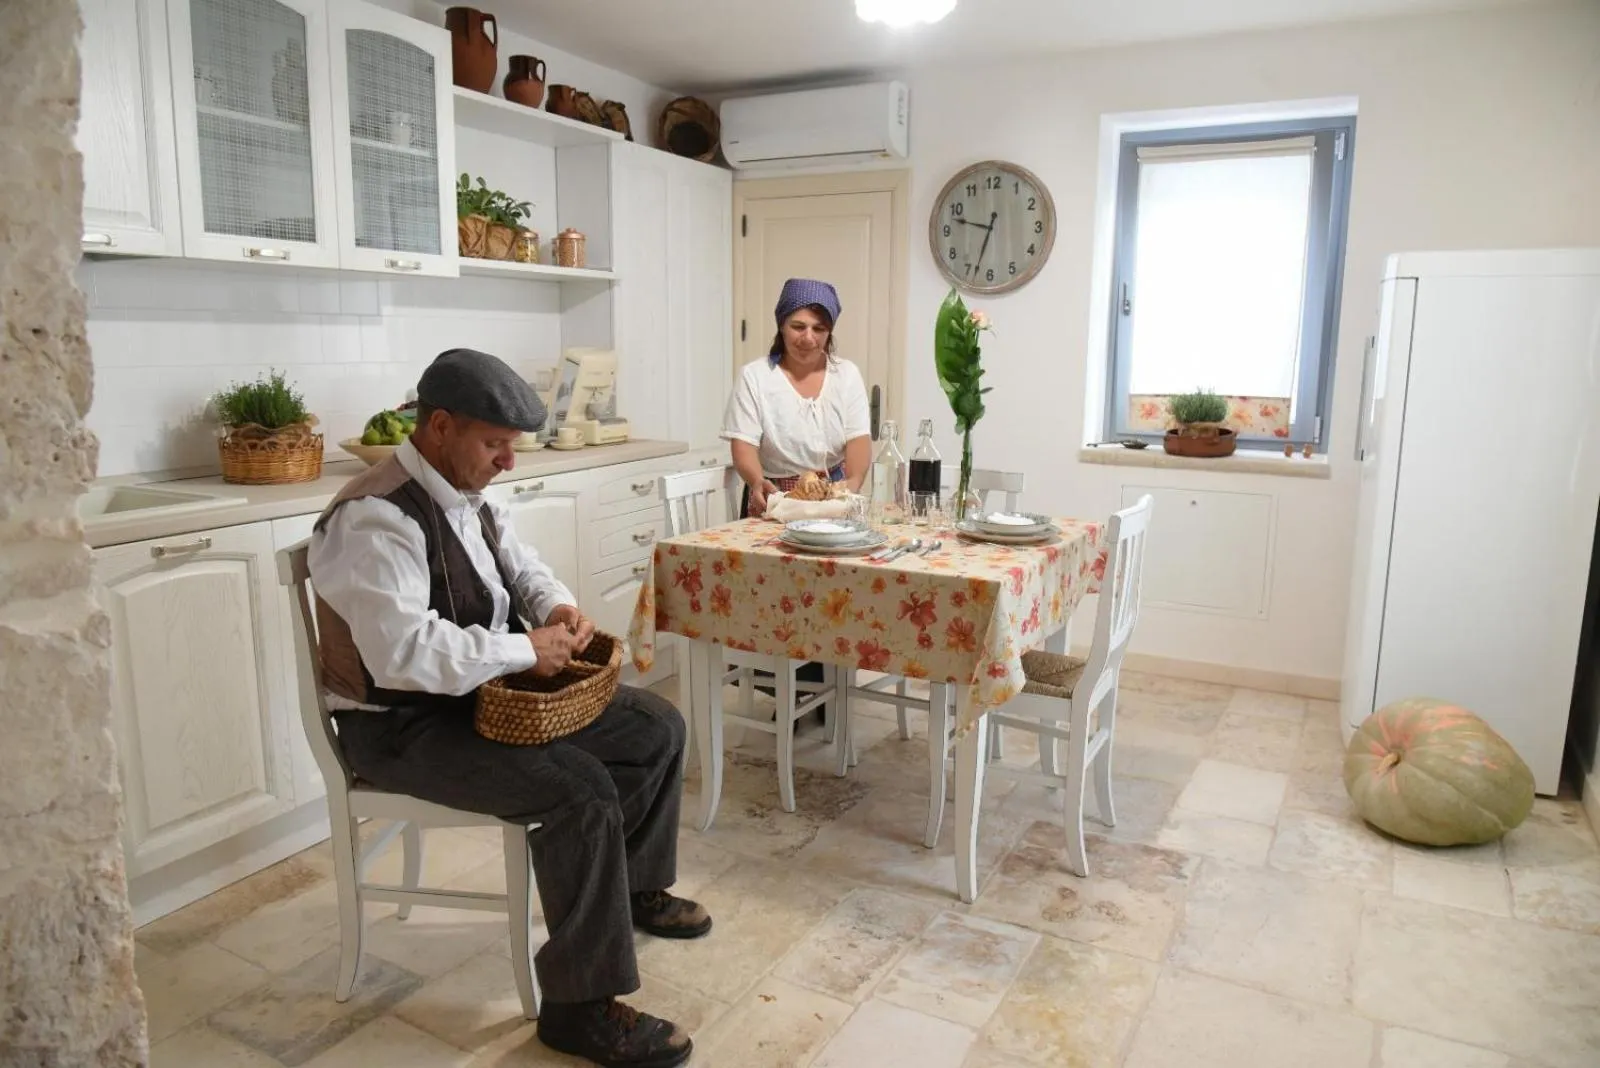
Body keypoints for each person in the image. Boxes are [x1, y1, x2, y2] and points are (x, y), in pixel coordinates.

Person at [308, 348, 707, 1068]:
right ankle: (579, 1010)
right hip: (397, 727)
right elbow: (403, 655)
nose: (508, 462)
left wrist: (554, 606)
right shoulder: (374, 518)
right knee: (579, 790)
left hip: (474, 696)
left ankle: (635, 888)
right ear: (439, 426)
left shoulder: (466, 490)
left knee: (657, 727)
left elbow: (520, 565)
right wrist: (525, 650)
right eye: (495, 444)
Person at [721, 277, 872, 518]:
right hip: (774, 498)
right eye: (798, 327)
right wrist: (757, 481)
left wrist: (851, 485)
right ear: (782, 325)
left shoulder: (847, 375)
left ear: (829, 332)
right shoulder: (754, 377)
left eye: (819, 329)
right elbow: (743, 444)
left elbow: (858, 440)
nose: (808, 338)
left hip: (833, 496)